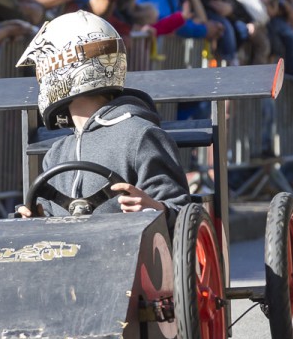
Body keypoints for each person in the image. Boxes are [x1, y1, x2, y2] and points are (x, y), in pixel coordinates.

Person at [13, 12, 189, 227]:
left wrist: (155, 208)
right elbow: (50, 221)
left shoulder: (140, 135)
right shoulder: (56, 153)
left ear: (57, 68)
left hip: (130, 255)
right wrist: (36, 220)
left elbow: (182, 213)